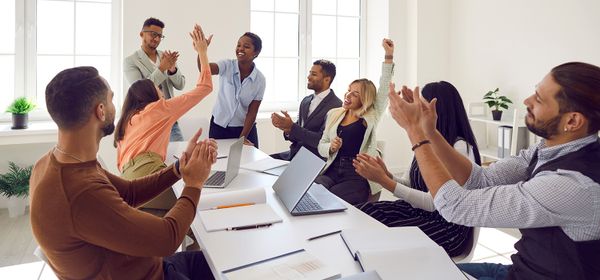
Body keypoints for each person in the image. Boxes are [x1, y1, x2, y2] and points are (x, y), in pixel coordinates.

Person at [386, 62, 600, 279]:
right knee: (420, 273)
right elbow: (481, 179)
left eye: (539, 99)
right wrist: (429, 132)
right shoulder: (547, 148)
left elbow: (456, 207)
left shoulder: (573, 185)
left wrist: (415, 132)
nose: (527, 101)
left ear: (572, 121)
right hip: (518, 270)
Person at [30, 61, 218, 279]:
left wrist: (178, 168)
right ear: (100, 111)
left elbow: (129, 193)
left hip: (152, 266)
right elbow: (167, 239)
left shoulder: (52, 163)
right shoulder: (80, 192)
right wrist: (194, 184)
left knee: (219, 260)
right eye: (111, 98)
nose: (115, 105)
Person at [352, 81, 481, 257]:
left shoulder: (459, 147)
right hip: (418, 211)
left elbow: (433, 203)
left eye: (421, 105)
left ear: (438, 109)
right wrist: (387, 175)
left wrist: (385, 182)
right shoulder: (425, 139)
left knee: (383, 238)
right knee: (365, 213)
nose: (417, 109)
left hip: (446, 226)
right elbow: (411, 184)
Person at [114, 25, 213, 211]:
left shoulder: (126, 121)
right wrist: (202, 51)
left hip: (127, 184)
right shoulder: (158, 108)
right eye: (159, 89)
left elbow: (180, 82)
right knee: (200, 204)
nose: (162, 91)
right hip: (148, 173)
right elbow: (205, 87)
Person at [316, 39, 395, 205]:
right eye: (348, 91)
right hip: (331, 170)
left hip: (356, 174)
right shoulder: (334, 114)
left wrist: (388, 56)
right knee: (313, 194)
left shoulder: (371, 115)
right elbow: (321, 144)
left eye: (355, 94)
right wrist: (330, 147)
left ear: (365, 98)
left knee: (331, 202)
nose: (348, 95)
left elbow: (384, 87)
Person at [198, 32, 265, 147]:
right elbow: (204, 69)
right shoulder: (227, 65)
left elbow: (252, 112)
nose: (240, 49)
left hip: (245, 129)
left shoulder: (259, 80)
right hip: (219, 127)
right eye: (238, 45)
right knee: (217, 162)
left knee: (250, 163)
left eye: (246, 46)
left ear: (256, 53)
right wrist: (201, 51)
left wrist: (242, 138)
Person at [124, 17, 186, 141]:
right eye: (153, 34)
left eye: (160, 36)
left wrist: (172, 70)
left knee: (180, 155)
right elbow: (140, 90)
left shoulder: (166, 56)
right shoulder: (130, 61)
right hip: (147, 121)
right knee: (155, 158)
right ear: (142, 34)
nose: (157, 39)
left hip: (170, 118)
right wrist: (162, 68)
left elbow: (180, 85)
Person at [270, 60, 342, 160]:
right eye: (309, 73)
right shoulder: (305, 101)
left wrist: (292, 127)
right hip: (295, 153)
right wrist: (287, 129)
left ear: (327, 79)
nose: (308, 77)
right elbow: (297, 133)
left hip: (313, 159)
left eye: (314, 74)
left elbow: (321, 141)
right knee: (264, 162)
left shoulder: (337, 106)